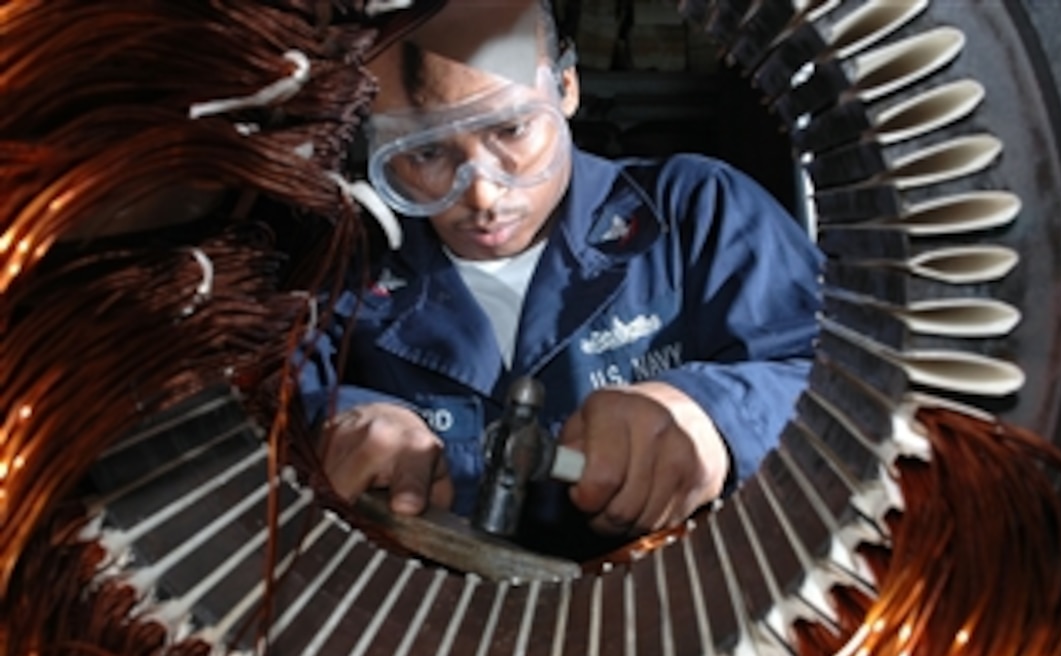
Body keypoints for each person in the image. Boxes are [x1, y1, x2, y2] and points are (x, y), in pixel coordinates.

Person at [298, 0, 823, 560]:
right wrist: (339, 421)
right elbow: (257, 397)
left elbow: (840, 380)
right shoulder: (344, 264)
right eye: (425, 152)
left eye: (512, 129)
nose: (482, 194)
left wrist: (715, 418)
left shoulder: (699, 214)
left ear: (566, 87)